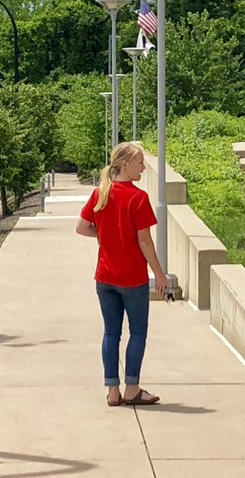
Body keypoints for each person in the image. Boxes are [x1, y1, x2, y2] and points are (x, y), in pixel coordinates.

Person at [75, 142, 169, 407]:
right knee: (137, 332)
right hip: (132, 279)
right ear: (125, 164)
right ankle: (132, 389)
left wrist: (104, 237)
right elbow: (145, 242)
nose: (143, 167)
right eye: (139, 162)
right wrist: (160, 276)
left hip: (105, 277)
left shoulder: (100, 193)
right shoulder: (137, 198)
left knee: (110, 333)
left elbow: (82, 227)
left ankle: (112, 391)